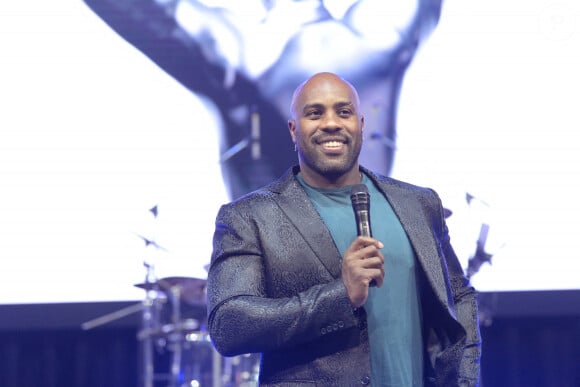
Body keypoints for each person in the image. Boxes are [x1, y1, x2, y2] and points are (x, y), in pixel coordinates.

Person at [206, 72, 481, 386]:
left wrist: (463, 380)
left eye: (344, 112)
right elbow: (228, 326)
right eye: (315, 113)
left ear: (361, 125)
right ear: (294, 130)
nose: (331, 123)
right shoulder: (250, 216)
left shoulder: (418, 203)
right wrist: (339, 295)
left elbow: (459, 297)